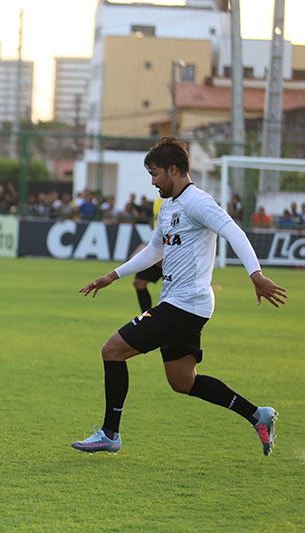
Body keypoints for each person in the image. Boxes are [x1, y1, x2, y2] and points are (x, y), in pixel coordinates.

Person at [73, 137, 286, 456]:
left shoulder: (198, 202)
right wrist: (111, 276)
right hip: (185, 304)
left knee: (112, 350)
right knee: (183, 381)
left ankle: (109, 433)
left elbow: (234, 232)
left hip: (185, 305)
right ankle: (258, 415)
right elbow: (153, 252)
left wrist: (255, 275)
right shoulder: (170, 206)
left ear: (174, 169)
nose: (153, 181)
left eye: (156, 173)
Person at [132, 193, 165, 313]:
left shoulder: (175, 197)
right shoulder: (158, 197)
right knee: (139, 282)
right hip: (158, 250)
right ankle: (146, 318)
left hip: (170, 252)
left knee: (178, 293)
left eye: (155, 175)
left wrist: (164, 252)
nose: (154, 181)